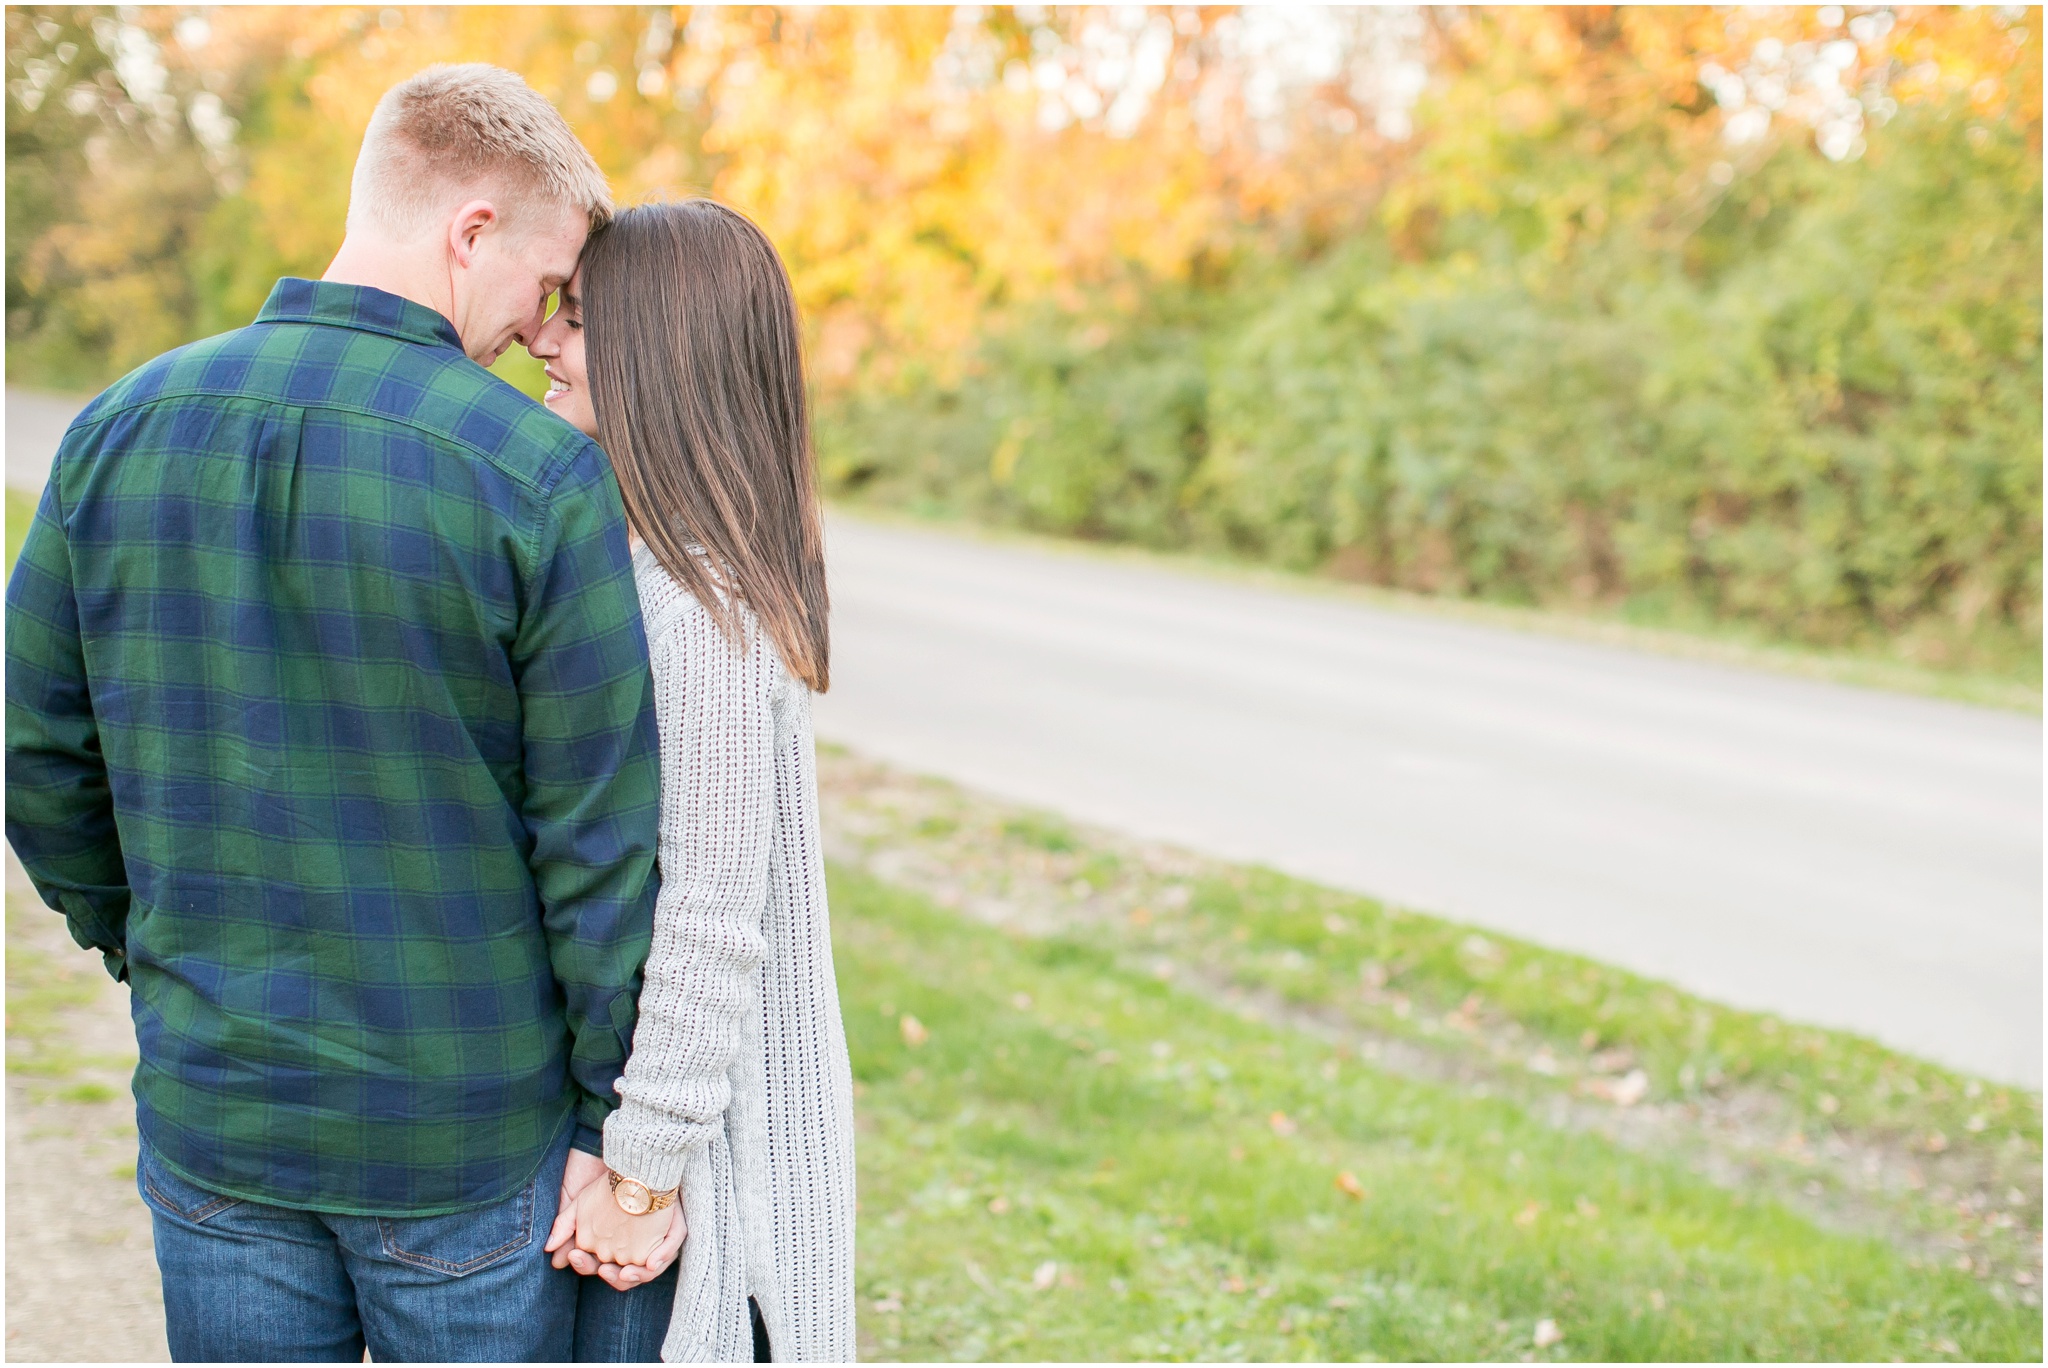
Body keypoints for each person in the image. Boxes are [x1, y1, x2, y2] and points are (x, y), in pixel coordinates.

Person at [3, 65, 662, 1363]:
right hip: (463, 1132)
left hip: (219, 1109)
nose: (542, 334)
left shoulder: (114, 430)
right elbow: (595, 846)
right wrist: (607, 1119)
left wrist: (152, 953)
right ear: (471, 231)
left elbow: (39, 766)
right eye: (546, 289)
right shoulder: (537, 478)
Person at [527, 200, 857, 1362]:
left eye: (578, 319)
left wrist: (645, 1170)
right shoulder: (652, 567)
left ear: (660, 355)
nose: (542, 341)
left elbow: (713, 913)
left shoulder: (699, 608)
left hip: (712, 1175)